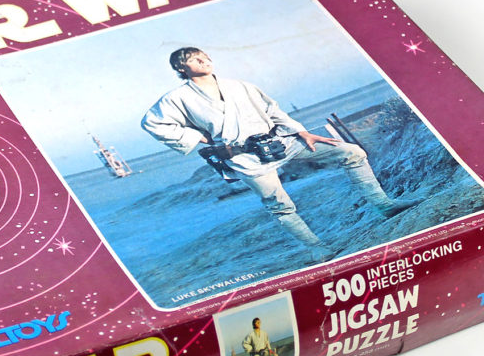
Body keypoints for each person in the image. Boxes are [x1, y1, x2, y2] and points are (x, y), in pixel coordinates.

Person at [140, 47, 419, 254]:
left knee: (351, 152)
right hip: (244, 157)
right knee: (278, 203)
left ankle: (384, 205)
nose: (204, 60)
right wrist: (197, 137)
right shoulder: (177, 98)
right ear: (181, 67)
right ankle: (316, 248)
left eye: (205, 56)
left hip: (280, 142)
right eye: (195, 59)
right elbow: (152, 123)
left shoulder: (239, 86)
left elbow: (273, 110)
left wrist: (301, 131)